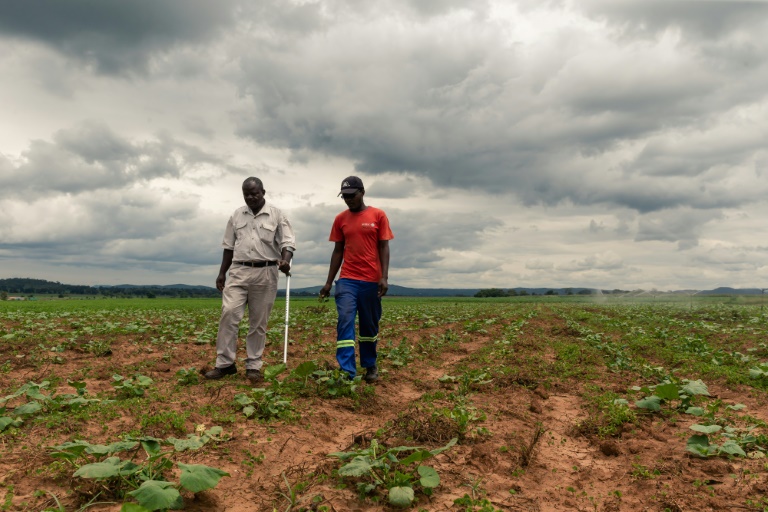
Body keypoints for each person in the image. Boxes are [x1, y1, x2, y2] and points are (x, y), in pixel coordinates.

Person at [204, 177, 295, 384]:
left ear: (263, 192)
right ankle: (225, 364)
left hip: (266, 271)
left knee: (258, 322)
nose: (251, 197)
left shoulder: (277, 214)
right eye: (246, 194)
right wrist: (222, 273)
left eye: (254, 193)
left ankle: (253, 365)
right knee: (229, 314)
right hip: (238, 270)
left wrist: (286, 261)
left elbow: (288, 242)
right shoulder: (236, 215)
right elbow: (228, 246)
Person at [319, 176, 394, 382]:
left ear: (362, 193)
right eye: (344, 196)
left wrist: (384, 277)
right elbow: (337, 251)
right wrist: (328, 282)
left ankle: (370, 365)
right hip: (347, 280)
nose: (348, 200)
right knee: (345, 320)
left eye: (352, 195)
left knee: (369, 326)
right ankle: (347, 371)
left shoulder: (378, 215)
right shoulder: (340, 219)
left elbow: (384, 247)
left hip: (371, 280)